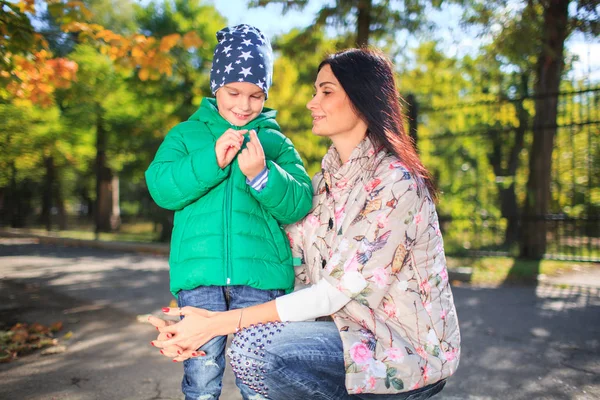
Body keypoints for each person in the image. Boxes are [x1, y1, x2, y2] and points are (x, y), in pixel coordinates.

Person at [150, 48, 460, 400]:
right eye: (315, 92)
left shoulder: (394, 182)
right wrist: (189, 328)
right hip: (342, 337)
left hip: (398, 353)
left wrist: (217, 324)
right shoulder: (325, 185)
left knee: (254, 347)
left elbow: (332, 294)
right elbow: (292, 268)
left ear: (362, 98)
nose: (312, 103)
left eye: (325, 92)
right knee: (255, 346)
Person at [144, 24, 313, 400]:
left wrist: (262, 175)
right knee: (202, 371)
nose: (244, 104)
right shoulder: (186, 135)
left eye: (256, 95)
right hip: (199, 274)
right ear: (215, 87)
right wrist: (210, 160)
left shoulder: (275, 141)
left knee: (259, 369)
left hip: (262, 275)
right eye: (233, 92)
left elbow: (300, 201)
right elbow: (161, 188)